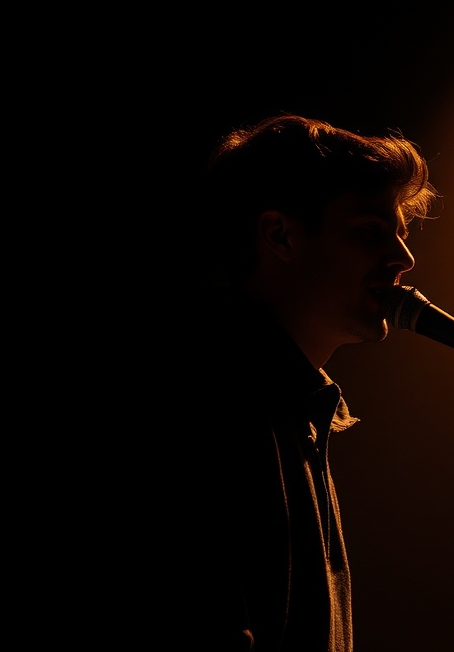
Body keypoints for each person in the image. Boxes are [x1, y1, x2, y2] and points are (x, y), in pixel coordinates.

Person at [165, 113, 439, 651]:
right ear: (280, 236)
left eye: (400, 234)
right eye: (370, 232)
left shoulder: (297, 406)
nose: (403, 259)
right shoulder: (213, 400)